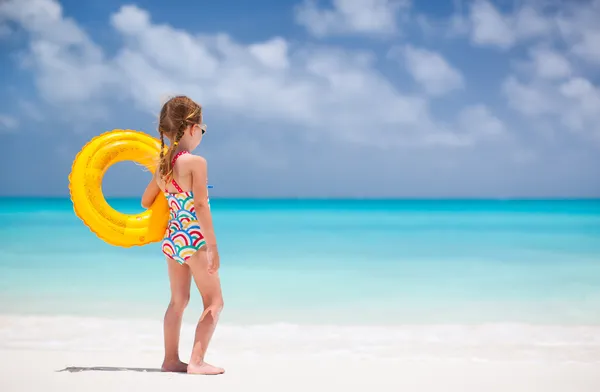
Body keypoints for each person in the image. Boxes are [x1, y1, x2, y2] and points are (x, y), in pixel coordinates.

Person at [141, 95, 224, 375]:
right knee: (214, 302)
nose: (201, 133)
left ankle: (170, 360)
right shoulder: (196, 162)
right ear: (191, 128)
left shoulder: (163, 165)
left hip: (173, 239)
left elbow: (146, 201)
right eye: (202, 128)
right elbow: (200, 204)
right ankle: (197, 362)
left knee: (178, 302)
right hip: (194, 239)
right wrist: (211, 245)